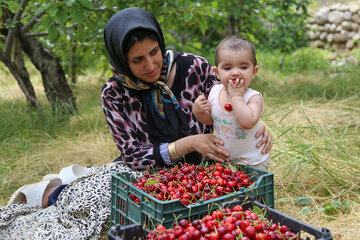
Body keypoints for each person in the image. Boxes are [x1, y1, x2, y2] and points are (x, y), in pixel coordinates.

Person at [0, 7, 272, 240]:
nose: (152, 65)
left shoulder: (194, 68)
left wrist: (255, 125)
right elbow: (133, 156)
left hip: (205, 168)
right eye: (137, 60)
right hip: (147, 171)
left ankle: (75, 179)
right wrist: (186, 144)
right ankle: (52, 193)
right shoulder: (114, 93)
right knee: (105, 207)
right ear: (121, 59)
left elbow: (230, 102)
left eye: (155, 52)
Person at [193, 36, 270, 170]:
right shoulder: (215, 92)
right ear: (217, 72)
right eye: (227, 68)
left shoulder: (253, 98)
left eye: (244, 67)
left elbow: (247, 122)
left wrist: (236, 96)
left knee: (253, 190)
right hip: (225, 160)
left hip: (253, 161)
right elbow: (211, 120)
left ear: (254, 71)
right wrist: (198, 112)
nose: (235, 73)